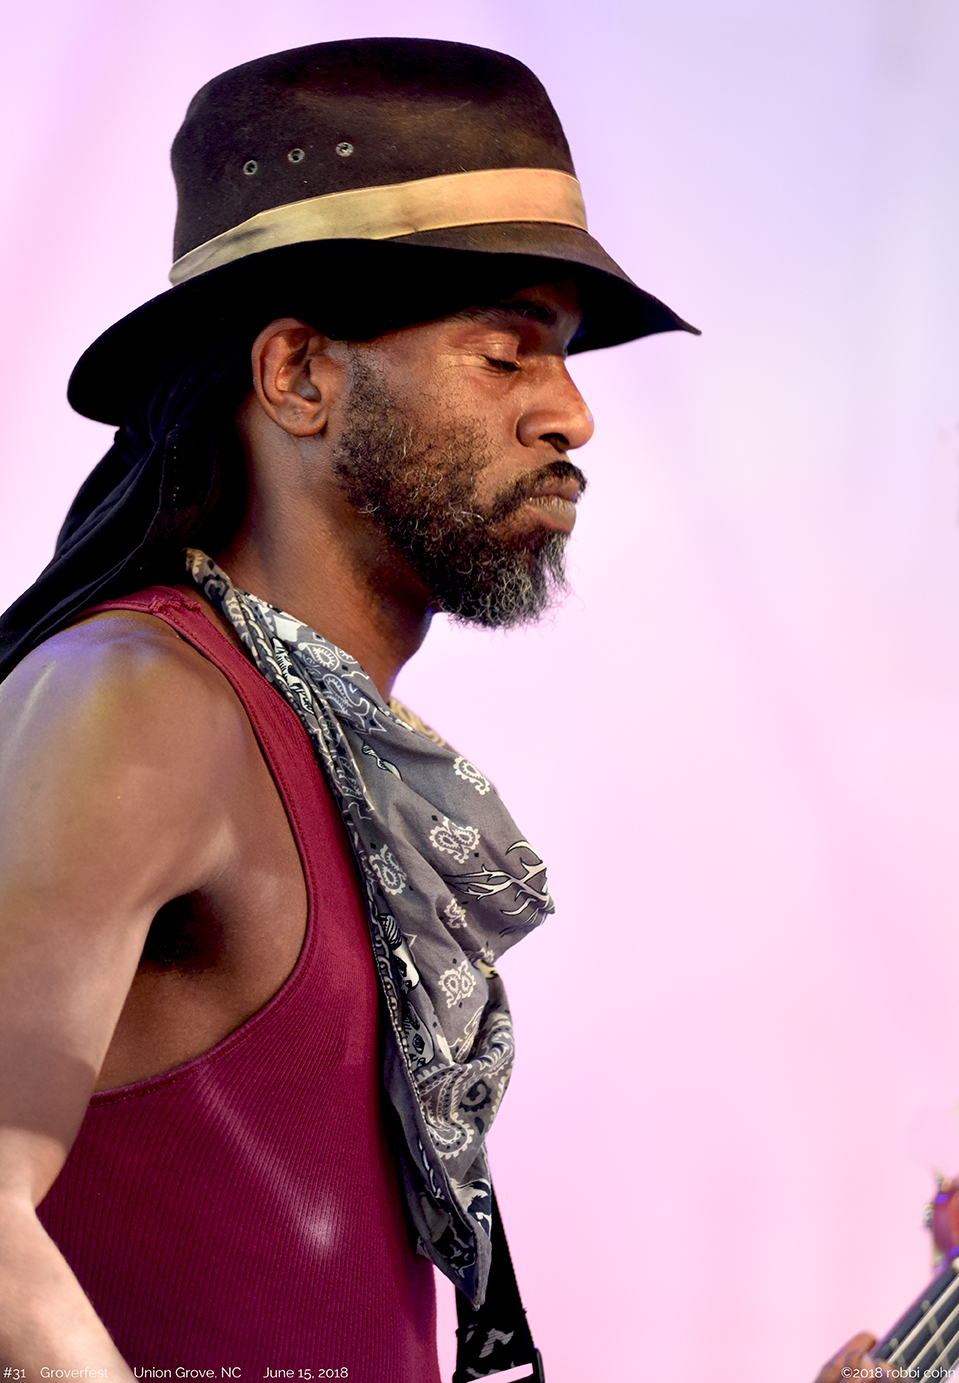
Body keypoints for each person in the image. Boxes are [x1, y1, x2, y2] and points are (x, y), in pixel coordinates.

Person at [0, 38, 698, 1381]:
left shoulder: (315, 745)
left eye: (562, 356)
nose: (571, 415)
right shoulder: (140, 699)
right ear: (300, 377)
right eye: (507, 355)